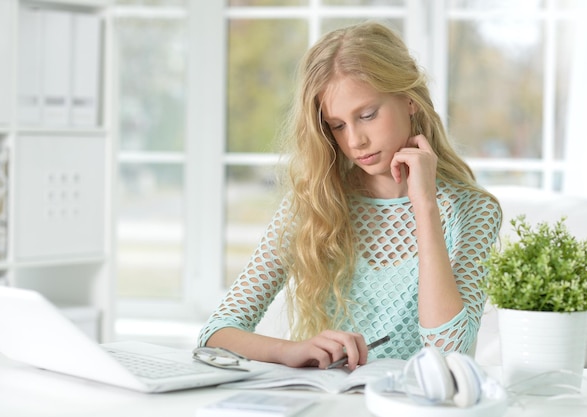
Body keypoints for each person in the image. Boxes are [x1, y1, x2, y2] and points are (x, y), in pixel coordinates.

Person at [198, 21, 501, 371]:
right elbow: (215, 333)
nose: (355, 140)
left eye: (368, 115)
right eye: (338, 125)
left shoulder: (474, 211)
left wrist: (425, 206)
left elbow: (449, 353)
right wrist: (291, 350)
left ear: (409, 99)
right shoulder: (315, 203)